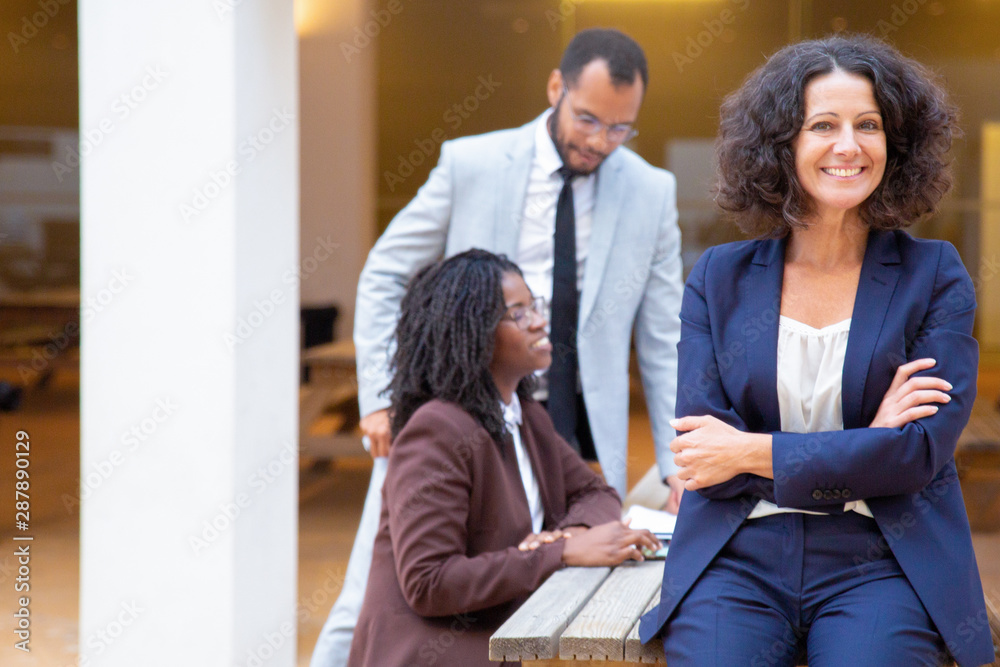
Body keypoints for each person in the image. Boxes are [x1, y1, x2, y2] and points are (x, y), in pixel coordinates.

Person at [312, 28, 684, 666]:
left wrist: (678, 463)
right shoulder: (472, 163)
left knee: (556, 584)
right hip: (449, 405)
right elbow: (384, 274)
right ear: (554, 89)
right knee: (370, 600)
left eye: (621, 128)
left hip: (554, 416)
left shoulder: (650, 191)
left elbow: (663, 336)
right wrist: (378, 400)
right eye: (588, 119)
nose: (599, 141)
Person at [639, 34, 994, 666]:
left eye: (868, 125)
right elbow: (701, 461)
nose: (849, 145)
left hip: (879, 559)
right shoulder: (718, 279)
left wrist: (750, 450)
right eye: (822, 125)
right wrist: (869, 442)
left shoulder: (935, 275)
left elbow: (916, 455)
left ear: (897, 142)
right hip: (736, 560)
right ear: (782, 145)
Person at [346, 249, 660, 666]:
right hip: (433, 651)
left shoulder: (523, 415)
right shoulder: (437, 430)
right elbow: (429, 582)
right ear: (473, 330)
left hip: (507, 633)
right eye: (518, 313)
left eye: (535, 306)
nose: (539, 320)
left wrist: (569, 535)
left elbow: (594, 491)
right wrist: (560, 554)